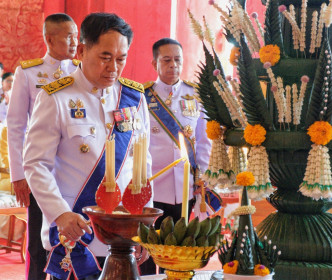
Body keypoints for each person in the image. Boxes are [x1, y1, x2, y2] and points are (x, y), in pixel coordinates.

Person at [23, 12, 152, 280]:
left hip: (123, 232)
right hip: (75, 233)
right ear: (81, 50)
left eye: (121, 59)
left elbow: (143, 164)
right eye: (105, 57)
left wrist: (145, 226)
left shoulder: (134, 97)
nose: (113, 67)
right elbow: (36, 164)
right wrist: (60, 214)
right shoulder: (56, 97)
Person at [7, 13, 79, 280]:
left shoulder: (82, 71)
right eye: (68, 35)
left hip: (74, 169)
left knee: (76, 240)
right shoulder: (29, 72)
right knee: (39, 244)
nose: (75, 41)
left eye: (76, 35)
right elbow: (16, 126)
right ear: (49, 38)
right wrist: (19, 175)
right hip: (40, 170)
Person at [139, 38, 221, 274]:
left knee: (178, 253)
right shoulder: (142, 96)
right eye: (166, 60)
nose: (173, 65)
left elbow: (204, 141)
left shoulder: (195, 95)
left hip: (185, 189)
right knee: (148, 251)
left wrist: (202, 175)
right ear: (155, 62)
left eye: (178, 60)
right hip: (153, 186)